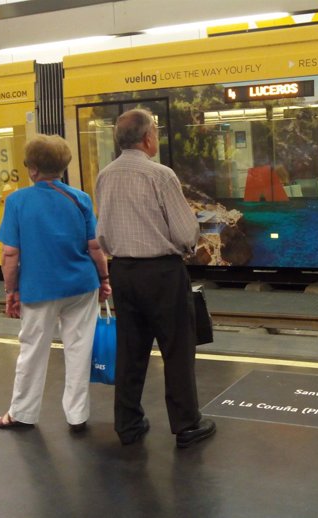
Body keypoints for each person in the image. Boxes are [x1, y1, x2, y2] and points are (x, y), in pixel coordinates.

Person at [95, 108, 216, 448]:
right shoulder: (161, 175)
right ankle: (186, 424)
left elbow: (101, 232)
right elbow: (184, 231)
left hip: (123, 271)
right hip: (161, 272)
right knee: (176, 348)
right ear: (147, 138)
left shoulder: (105, 175)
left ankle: (128, 424)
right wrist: (190, 244)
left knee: (131, 349)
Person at [0, 134, 111, 432]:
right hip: (82, 286)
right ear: (63, 166)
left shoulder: (17, 200)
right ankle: (77, 416)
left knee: (32, 350)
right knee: (79, 349)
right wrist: (105, 279)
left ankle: (22, 413)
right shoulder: (80, 198)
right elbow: (95, 247)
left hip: (38, 288)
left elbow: (10, 253)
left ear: (32, 169)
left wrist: (10, 291)